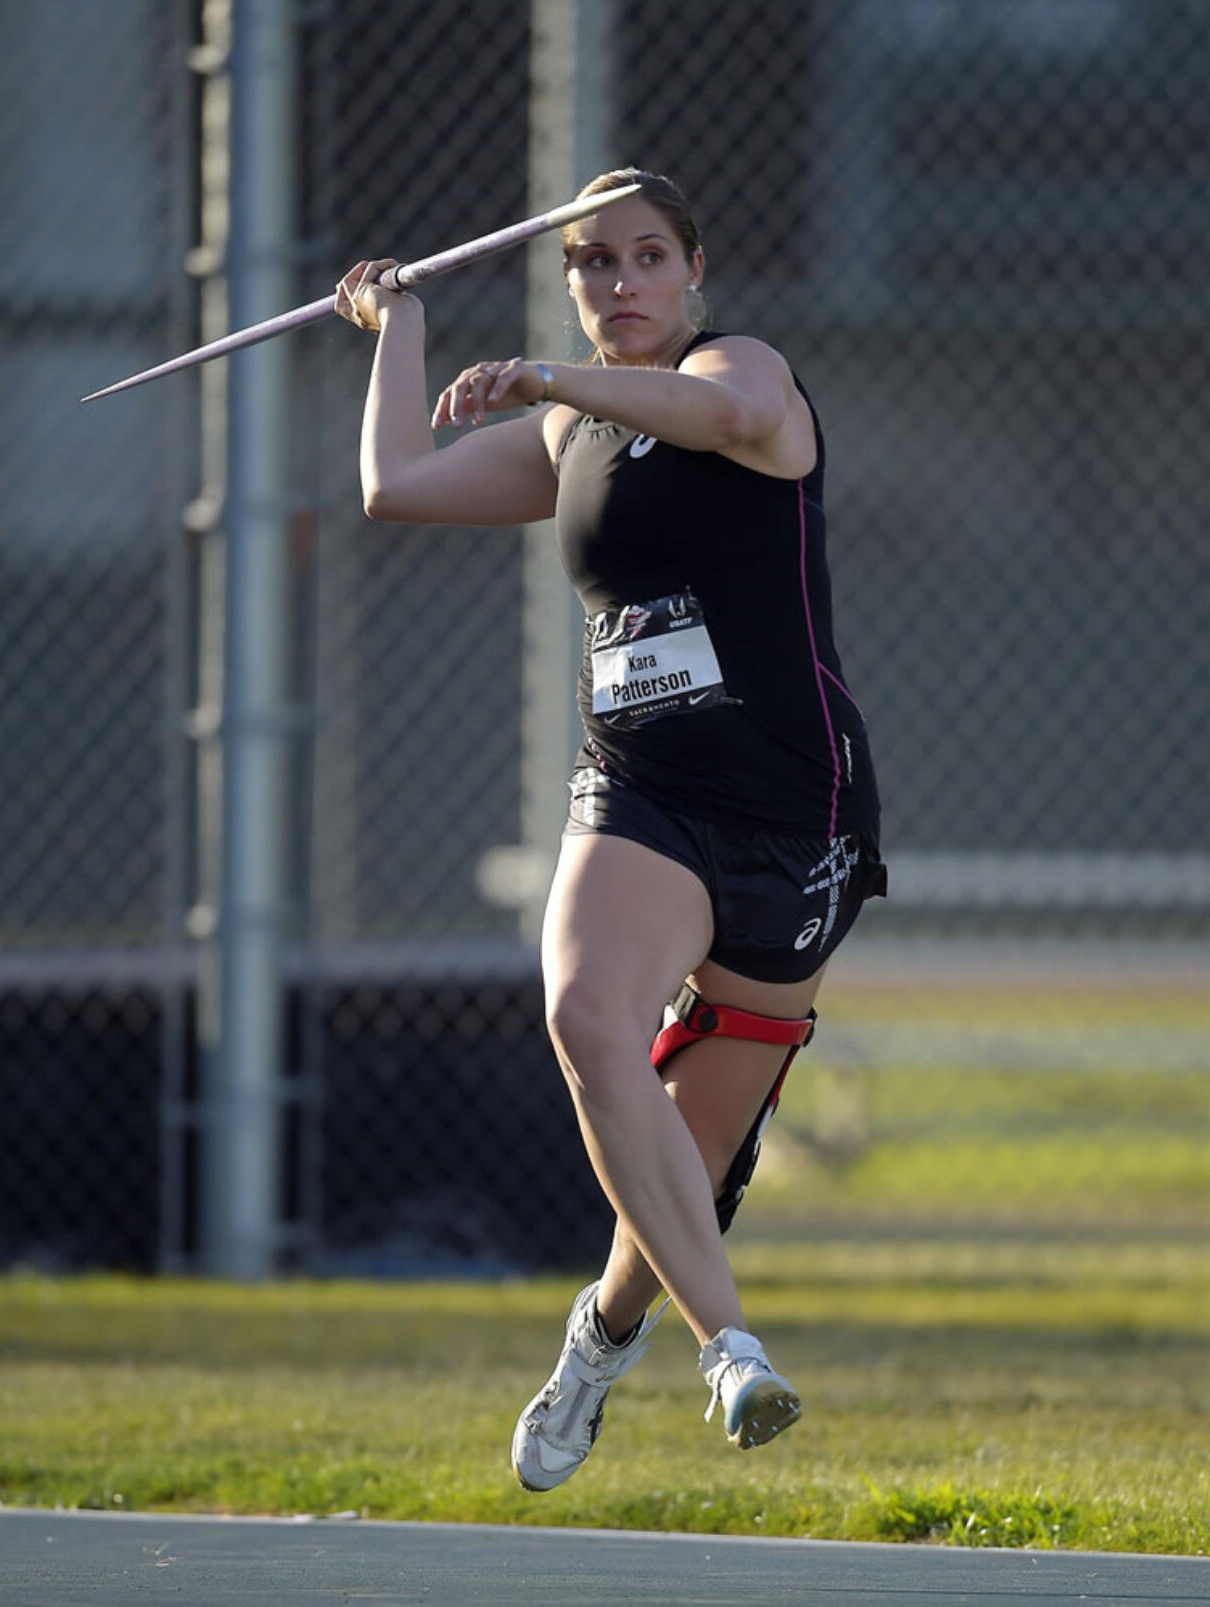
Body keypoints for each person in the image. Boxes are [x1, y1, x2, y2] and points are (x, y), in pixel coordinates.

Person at [334, 167, 886, 1491]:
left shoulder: (738, 368)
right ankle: (732, 1352)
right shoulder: (568, 430)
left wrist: (551, 379)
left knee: (684, 1164)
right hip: (637, 789)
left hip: (793, 809)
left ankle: (601, 1336)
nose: (619, 284)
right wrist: (397, 326)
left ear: (693, 272)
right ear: (567, 279)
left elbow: (720, 412)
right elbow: (395, 485)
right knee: (589, 1024)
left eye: (645, 259)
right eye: (591, 263)